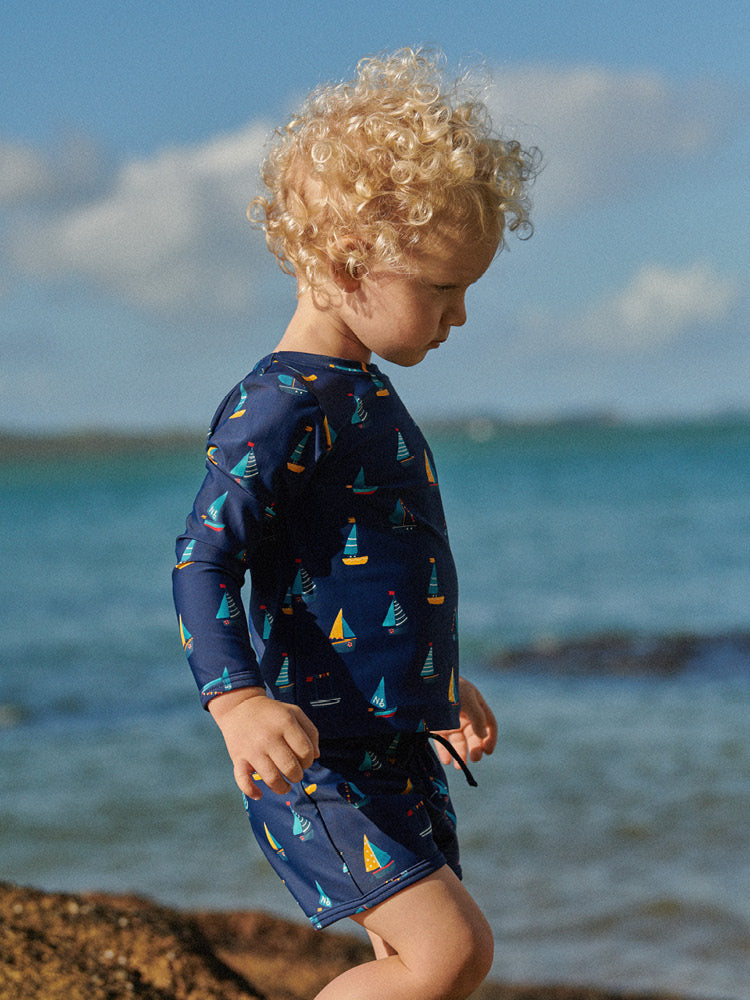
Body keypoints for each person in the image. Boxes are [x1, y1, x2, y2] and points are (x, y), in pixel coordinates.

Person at [173, 47, 537, 1000]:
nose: (459, 314)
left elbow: (369, 569)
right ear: (345, 266)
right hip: (313, 759)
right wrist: (238, 704)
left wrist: (435, 681)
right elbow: (201, 565)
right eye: (443, 287)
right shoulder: (279, 405)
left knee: (412, 964)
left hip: (390, 742)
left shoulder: (361, 393)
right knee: (448, 952)